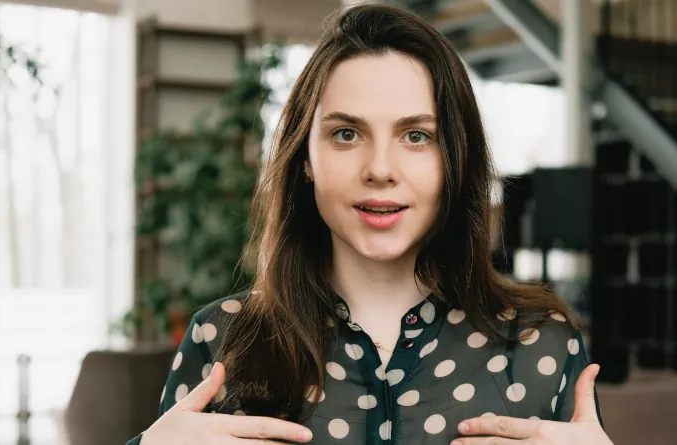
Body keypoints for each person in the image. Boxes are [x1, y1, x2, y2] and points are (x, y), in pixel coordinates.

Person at [127, 4, 612, 445]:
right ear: (306, 160)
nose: (380, 168)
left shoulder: (539, 345)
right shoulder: (222, 338)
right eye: (346, 133)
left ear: (455, 162)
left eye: (417, 136)